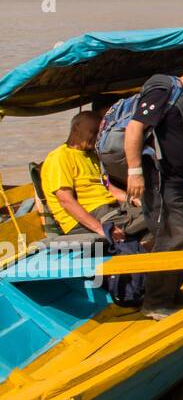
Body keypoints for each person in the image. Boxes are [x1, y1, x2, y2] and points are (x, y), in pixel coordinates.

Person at [124, 51, 183, 320]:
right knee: (171, 238)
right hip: (159, 181)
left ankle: (172, 293)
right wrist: (134, 172)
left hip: (180, 181)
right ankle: (155, 302)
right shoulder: (164, 90)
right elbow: (135, 128)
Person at [41, 112, 148, 305]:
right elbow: (66, 201)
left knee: (156, 208)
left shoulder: (91, 156)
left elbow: (109, 188)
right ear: (75, 129)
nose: (95, 137)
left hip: (112, 209)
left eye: (98, 132)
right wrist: (100, 228)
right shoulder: (59, 158)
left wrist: (132, 199)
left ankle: (156, 270)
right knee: (152, 219)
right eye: (91, 132)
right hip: (90, 216)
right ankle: (142, 281)